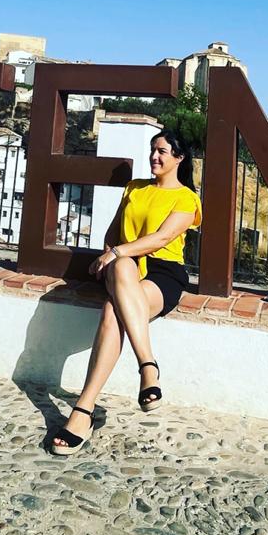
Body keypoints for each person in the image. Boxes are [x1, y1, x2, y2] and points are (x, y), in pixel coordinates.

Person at [49, 128, 202, 456]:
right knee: (120, 267)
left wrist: (118, 253)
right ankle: (148, 366)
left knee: (111, 311)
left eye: (162, 151)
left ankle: (83, 410)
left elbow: (162, 239)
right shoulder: (135, 188)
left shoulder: (187, 198)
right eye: (152, 150)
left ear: (179, 157)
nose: (154, 157)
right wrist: (111, 253)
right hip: (122, 269)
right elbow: (114, 231)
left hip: (163, 274)